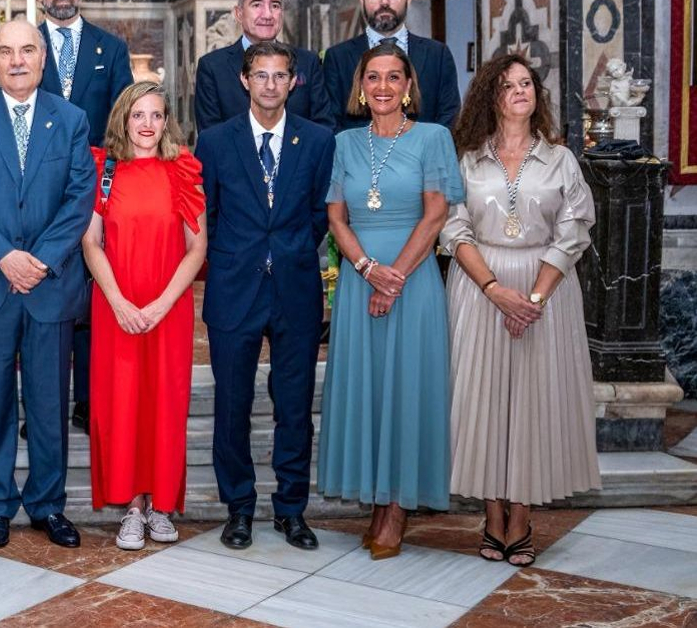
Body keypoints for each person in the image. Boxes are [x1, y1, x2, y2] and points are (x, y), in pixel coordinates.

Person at [0, 19, 97, 550]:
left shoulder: (71, 118)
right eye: (5, 50)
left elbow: (80, 198)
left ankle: (48, 504)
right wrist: (6, 257)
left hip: (49, 286)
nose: (16, 60)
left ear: (42, 57)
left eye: (27, 49)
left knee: (50, 405)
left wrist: (40, 261)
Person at [444, 54, 598, 566]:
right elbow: (453, 227)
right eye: (508, 85)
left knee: (532, 400)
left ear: (538, 95)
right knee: (481, 401)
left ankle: (521, 516)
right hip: (478, 288)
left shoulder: (560, 159)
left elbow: (574, 228)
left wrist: (531, 299)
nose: (519, 91)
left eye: (527, 83)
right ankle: (491, 514)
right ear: (491, 96)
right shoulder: (467, 158)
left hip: (546, 292)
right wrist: (493, 289)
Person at [317, 41, 464, 560]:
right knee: (368, 388)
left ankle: (397, 507)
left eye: (393, 77)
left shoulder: (433, 137)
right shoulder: (344, 143)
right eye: (373, 77)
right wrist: (367, 270)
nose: (382, 86)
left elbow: (436, 215)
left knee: (407, 387)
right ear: (361, 86)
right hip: (361, 280)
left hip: (414, 279)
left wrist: (395, 277)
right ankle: (376, 498)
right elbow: (337, 218)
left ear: (409, 86)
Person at [198, 42, 336, 552]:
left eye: (280, 76)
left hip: (295, 289)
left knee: (294, 407)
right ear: (245, 80)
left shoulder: (319, 141)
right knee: (232, 405)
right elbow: (205, 215)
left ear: (294, 82)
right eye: (261, 75)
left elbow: (322, 212)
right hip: (235, 289)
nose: (271, 85)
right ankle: (238, 508)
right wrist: (238, 254)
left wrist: (291, 248)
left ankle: (291, 510)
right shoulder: (215, 142)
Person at [82, 82, 206, 550]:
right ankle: (132, 508)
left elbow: (198, 249)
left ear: (167, 121)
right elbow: (91, 241)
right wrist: (117, 300)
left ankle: (159, 505)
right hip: (117, 305)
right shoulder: (103, 169)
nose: (148, 125)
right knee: (122, 404)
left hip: (166, 308)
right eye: (139, 115)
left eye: (156, 115)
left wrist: (160, 304)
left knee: (164, 403)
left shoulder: (183, 170)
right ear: (123, 119)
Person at [35, 0, 132, 433]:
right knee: (49, 296)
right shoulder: (23, 46)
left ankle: (90, 403)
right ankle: (44, 406)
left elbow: (124, 119)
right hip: (38, 193)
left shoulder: (109, 48)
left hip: (98, 188)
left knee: (94, 293)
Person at [320, 0, 461, 132]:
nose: (384, 2)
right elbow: (331, 121)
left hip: (424, 156)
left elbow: (449, 115)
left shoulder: (437, 54)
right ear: (362, 0)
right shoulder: (338, 57)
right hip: (360, 155)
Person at [192, 0, 332, 132]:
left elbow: (324, 128)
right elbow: (211, 136)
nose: (267, 14)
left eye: (275, 5)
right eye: (257, 4)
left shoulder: (307, 62)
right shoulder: (213, 67)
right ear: (239, 13)